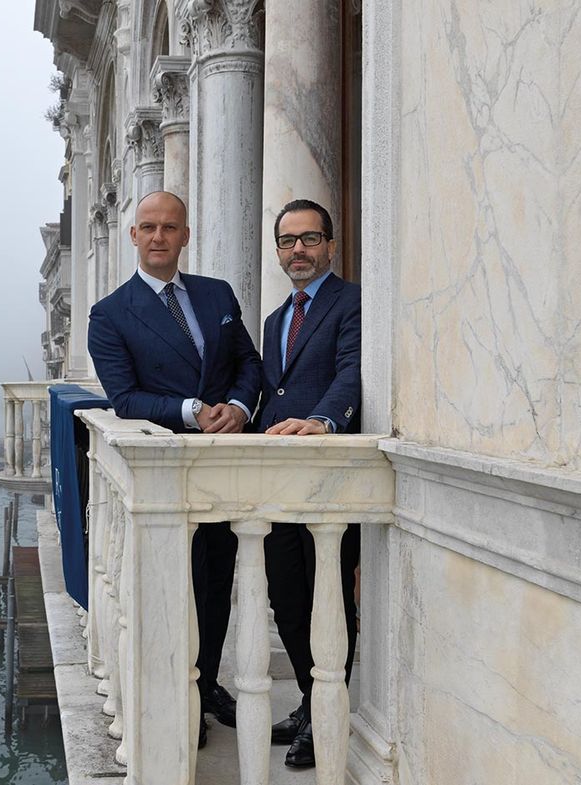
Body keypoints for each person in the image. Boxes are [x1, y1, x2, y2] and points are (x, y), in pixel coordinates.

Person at [87, 190, 262, 749]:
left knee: (216, 582)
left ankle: (207, 682)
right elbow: (125, 398)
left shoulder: (217, 295)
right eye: (148, 227)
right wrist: (191, 411)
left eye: (169, 227)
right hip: (165, 472)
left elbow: (249, 364)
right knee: (171, 585)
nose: (158, 236)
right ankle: (180, 691)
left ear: (185, 235)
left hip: (225, 462)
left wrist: (238, 407)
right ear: (133, 236)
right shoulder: (110, 314)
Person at [256, 198, 361, 769]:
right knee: (287, 597)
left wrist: (323, 420)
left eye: (310, 238)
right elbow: (273, 392)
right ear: (278, 250)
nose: (299, 249)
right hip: (279, 480)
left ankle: (327, 713)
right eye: (288, 240)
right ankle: (308, 695)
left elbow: (352, 370)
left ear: (330, 245)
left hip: (328, 477)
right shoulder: (275, 321)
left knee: (329, 600)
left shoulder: (353, 302)